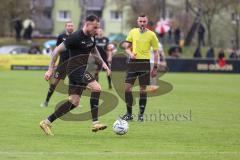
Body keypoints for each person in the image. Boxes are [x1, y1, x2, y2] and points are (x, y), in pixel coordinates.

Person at [39, 15, 111, 135]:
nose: (97, 30)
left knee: (74, 102)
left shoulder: (92, 36)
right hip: (75, 70)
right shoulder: (75, 37)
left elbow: (94, 50)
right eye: (95, 27)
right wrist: (50, 69)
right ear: (87, 25)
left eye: (98, 27)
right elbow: (56, 51)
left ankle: (46, 121)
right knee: (97, 88)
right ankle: (95, 123)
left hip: (81, 69)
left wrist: (103, 63)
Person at [121, 13, 159, 122]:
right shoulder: (133, 32)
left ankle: (141, 115)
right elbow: (126, 47)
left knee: (143, 89)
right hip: (133, 63)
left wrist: (155, 68)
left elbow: (156, 53)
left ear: (147, 22)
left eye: (144, 21)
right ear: (138, 22)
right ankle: (129, 114)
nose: (142, 23)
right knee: (127, 88)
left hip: (144, 63)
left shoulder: (152, 35)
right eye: (140, 21)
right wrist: (130, 53)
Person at [40, 21, 75, 107]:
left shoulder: (76, 37)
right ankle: (46, 101)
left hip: (73, 65)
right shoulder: (61, 37)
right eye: (69, 26)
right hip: (62, 65)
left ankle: (72, 102)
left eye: (71, 26)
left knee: (73, 84)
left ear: (73, 27)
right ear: (66, 27)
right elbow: (56, 51)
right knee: (54, 83)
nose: (70, 27)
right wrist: (53, 64)